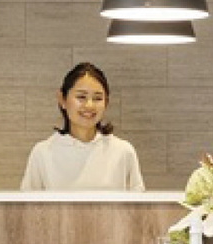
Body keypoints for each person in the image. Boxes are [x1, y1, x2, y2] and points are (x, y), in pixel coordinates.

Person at [20, 62, 145, 191]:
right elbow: (28, 203)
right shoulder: (42, 153)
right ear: (62, 99)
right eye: (81, 97)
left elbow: (138, 202)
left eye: (97, 98)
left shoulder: (123, 152)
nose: (89, 105)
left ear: (106, 103)